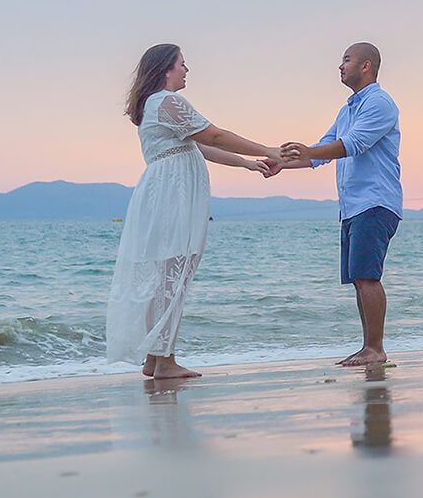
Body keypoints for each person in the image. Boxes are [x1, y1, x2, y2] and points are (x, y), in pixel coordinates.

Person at [107, 44, 280, 380]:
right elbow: (214, 134)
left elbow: (203, 146)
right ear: (165, 69)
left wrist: (247, 164)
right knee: (172, 274)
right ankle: (164, 360)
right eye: (182, 64)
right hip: (172, 193)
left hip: (163, 192)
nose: (187, 70)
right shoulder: (168, 101)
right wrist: (267, 148)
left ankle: (155, 359)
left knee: (165, 275)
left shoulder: (154, 105)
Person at [278, 42, 401, 367]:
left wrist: (308, 152)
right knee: (359, 278)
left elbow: (353, 144)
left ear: (366, 66)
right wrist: (281, 163)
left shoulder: (380, 103)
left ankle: (375, 349)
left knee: (368, 276)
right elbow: (320, 152)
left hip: (375, 201)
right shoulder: (346, 109)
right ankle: (368, 347)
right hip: (353, 206)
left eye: (346, 60)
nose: (340, 66)